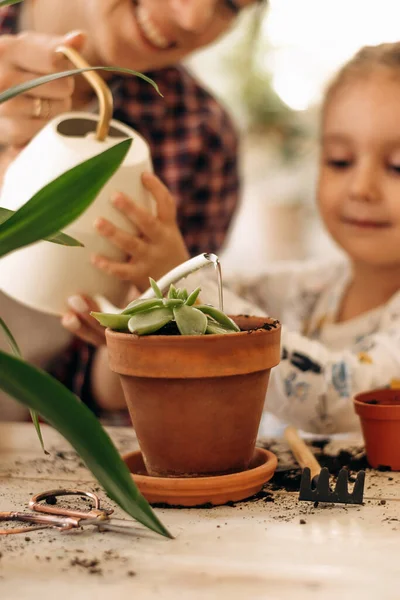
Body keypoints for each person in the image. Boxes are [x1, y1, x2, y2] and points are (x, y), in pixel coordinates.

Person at [66, 41, 400, 433]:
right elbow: (218, 297)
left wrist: (179, 274)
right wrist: (137, 316)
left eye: (397, 166)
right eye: (339, 161)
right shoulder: (315, 288)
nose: (361, 188)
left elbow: (332, 398)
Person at [0, 0, 262, 419]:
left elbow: (106, 395)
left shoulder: (197, 136)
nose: (193, 18)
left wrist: (149, 320)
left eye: (230, 5)